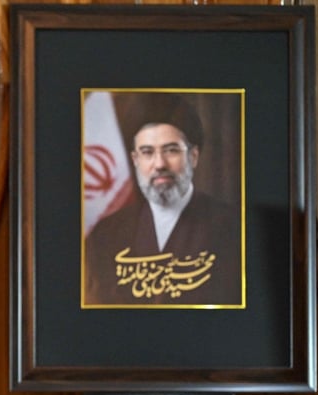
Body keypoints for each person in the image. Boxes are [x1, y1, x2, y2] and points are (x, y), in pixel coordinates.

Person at [84, 93, 241, 306]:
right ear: (135, 160)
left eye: (171, 150)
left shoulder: (235, 229)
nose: (159, 164)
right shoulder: (104, 235)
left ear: (193, 157)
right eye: (147, 152)